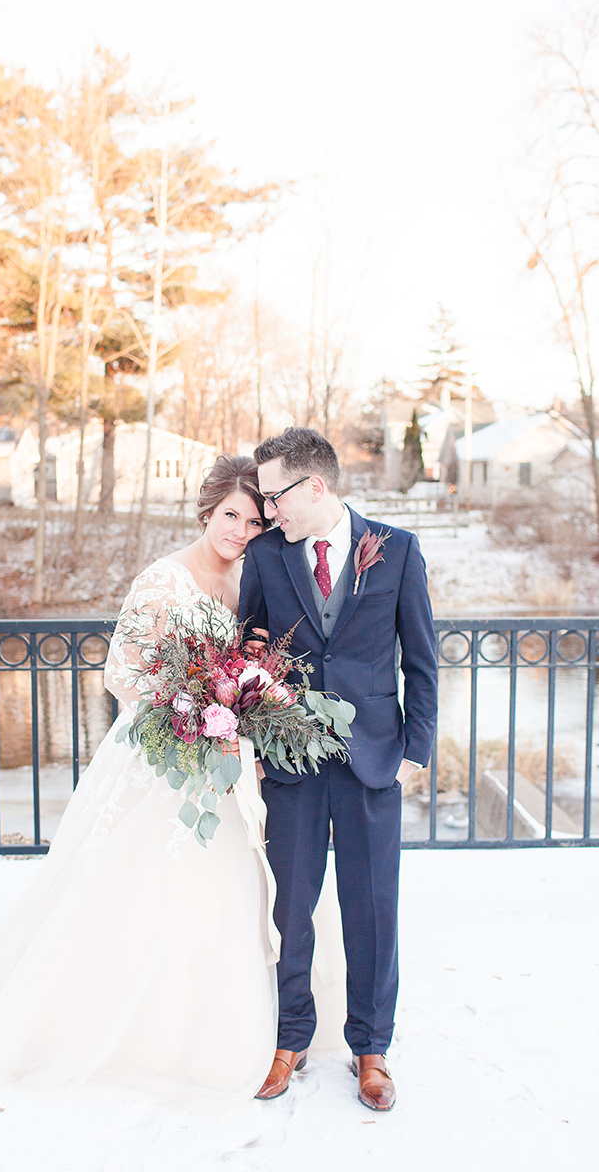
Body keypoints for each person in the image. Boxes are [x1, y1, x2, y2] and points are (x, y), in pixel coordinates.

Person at [0, 455, 280, 1103]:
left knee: (224, 888)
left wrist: (237, 712)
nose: (239, 530)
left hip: (225, 759)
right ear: (207, 510)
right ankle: (110, 1026)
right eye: (231, 515)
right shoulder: (162, 580)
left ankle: (204, 1023)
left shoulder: (251, 579)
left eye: (255, 521)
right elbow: (122, 674)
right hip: (160, 752)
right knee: (136, 884)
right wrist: (188, 709)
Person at [238, 427, 438, 1110]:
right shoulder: (267, 556)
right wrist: (253, 740)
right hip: (290, 761)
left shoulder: (398, 550)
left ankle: (371, 1048)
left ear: (314, 485)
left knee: (372, 909)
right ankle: (290, 1039)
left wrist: (415, 750)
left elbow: (420, 662)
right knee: (290, 906)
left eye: (274, 497)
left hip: (372, 759)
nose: (268, 514)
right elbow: (248, 652)